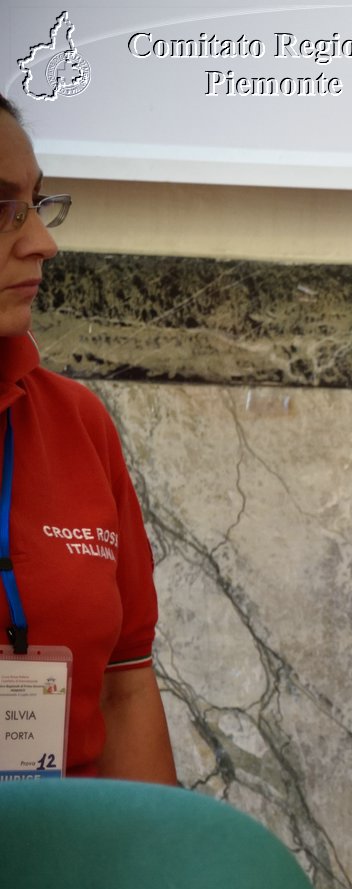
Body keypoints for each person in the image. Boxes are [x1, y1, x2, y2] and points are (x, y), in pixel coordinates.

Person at [0, 93, 175, 784]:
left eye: (39, 202)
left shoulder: (78, 423)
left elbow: (127, 688)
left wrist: (156, 884)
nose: (42, 239)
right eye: (2, 206)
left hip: (65, 865)